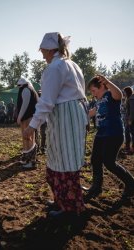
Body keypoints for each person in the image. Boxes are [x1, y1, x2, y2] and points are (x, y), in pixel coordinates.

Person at [23, 32, 88, 217]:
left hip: (64, 116)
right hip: (73, 114)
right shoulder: (72, 64)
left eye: (43, 51)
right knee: (64, 160)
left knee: (64, 162)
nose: (42, 55)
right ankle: (62, 202)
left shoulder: (56, 67)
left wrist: (32, 126)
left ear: (51, 50)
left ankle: (69, 209)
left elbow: (47, 101)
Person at [84, 76, 134, 200]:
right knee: (95, 159)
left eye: (94, 91)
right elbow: (91, 113)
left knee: (109, 163)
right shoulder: (99, 101)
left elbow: (119, 95)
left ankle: (131, 184)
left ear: (102, 87)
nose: (93, 94)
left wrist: (107, 82)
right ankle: (96, 186)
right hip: (101, 134)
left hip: (114, 134)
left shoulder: (111, 96)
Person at [16, 77, 39, 169]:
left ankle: (31, 161)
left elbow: (24, 105)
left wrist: (19, 117)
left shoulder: (26, 90)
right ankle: (26, 159)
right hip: (28, 117)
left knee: (28, 138)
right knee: (27, 138)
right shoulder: (30, 89)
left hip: (28, 118)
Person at [123, 86, 134, 154]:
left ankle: (132, 149)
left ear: (127, 92)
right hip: (128, 120)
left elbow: (132, 111)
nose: (124, 93)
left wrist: (130, 120)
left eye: (124, 92)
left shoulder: (132, 99)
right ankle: (127, 147)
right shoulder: (129, 98)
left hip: (131, 121)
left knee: (133, 134)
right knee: (127, 133)